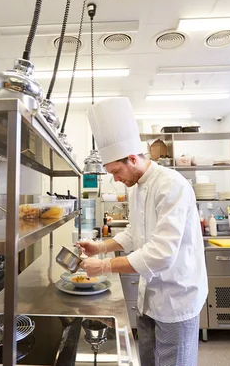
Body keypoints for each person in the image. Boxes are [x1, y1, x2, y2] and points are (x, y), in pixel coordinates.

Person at [77, 97, 208, 366]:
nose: (115, 179)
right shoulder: (137, 187)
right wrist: (100, 247)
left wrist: (103, 267)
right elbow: (135, 233)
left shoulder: (172, 185)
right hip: (149, 297)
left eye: (116, 171)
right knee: (148, 360)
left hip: (175, 297)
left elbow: (160, 254)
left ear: (133, 158)